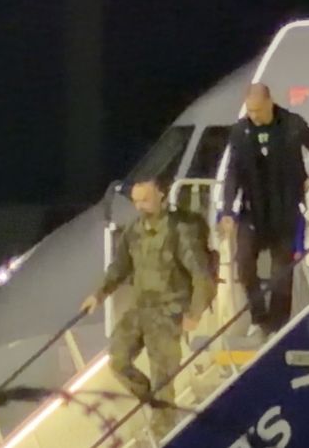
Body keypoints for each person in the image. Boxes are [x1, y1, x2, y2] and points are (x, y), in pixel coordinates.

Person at [80, 178, 216, 438]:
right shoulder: (134, 231)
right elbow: (119, 268)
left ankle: (164, 430)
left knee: (162, 373)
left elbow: (201, 275)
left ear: (161, 196)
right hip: (141, 308)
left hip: (169, 309)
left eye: (145, 200)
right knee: (118, 359)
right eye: (136, 201)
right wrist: (98, 295)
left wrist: (195, 312)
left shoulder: (179, 230)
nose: (140, 206)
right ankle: (154, 401)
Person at [220, 83, 309, 335]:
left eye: (258, 110)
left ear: (269, 103)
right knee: (244, 262)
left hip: (285, 208)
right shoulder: (240, 131)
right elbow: (233, 172)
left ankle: (277, 324)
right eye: (250, 111)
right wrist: (227, 210)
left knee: (281, 273)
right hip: (253, 209)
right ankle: (258, 316)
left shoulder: (292, 124)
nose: (254, 116)